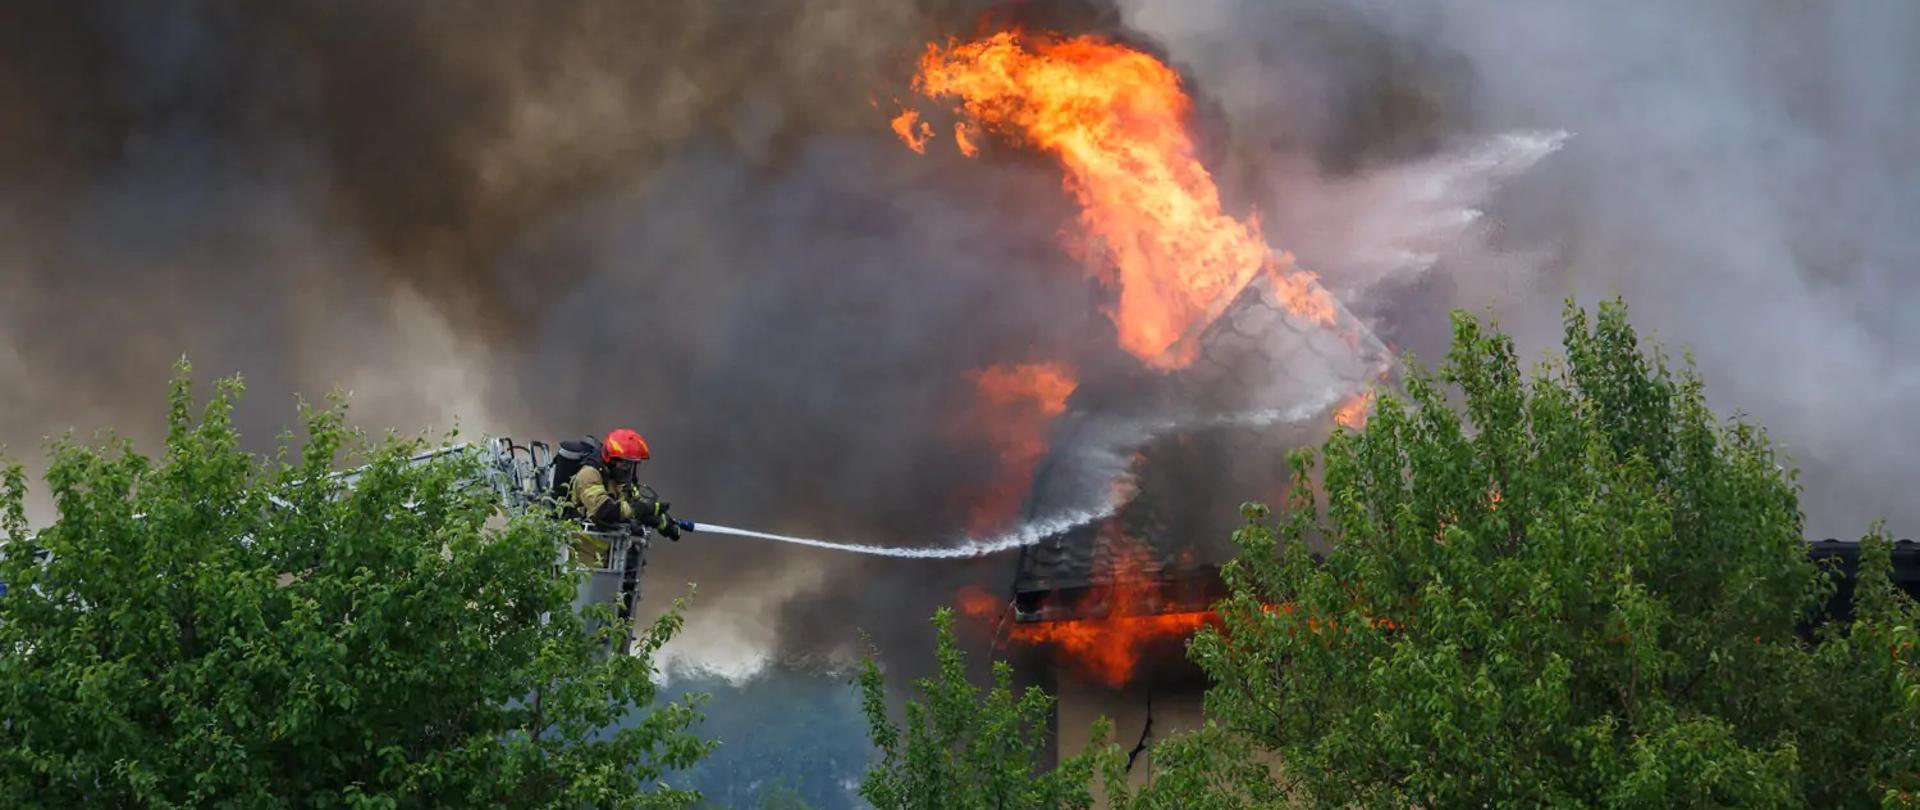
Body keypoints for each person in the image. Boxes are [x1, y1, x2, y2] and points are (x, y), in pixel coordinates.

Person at [569, 428, 683, 543]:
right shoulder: (589, 474)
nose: (628, 469)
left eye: (632, 464)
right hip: (580, 546)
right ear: (611, 460)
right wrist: (637, 510)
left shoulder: (618, 480)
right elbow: (603, 510)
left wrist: (663, 521)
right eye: (625, 464)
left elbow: (638, 503)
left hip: (610, 547)